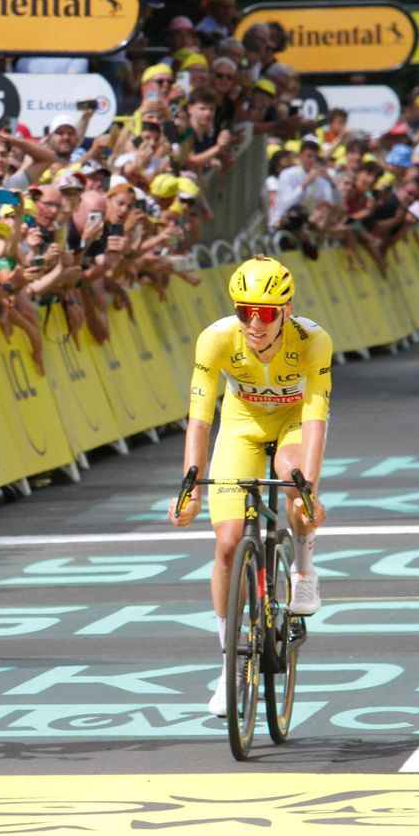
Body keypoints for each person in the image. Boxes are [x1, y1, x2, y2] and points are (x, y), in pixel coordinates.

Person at [167, 257, 331, 717]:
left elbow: (316, 417)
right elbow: (199, 418)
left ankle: (303, 569)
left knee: (293, 477)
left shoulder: (313, 341)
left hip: (295, 422)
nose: (254, 323)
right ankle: (228, 667)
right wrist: (190, 486)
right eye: (244, 311)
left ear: (286, 309)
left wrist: (310, 488)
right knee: (226, 543)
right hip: (241, 424)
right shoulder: (217, 339)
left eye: (265, 312)